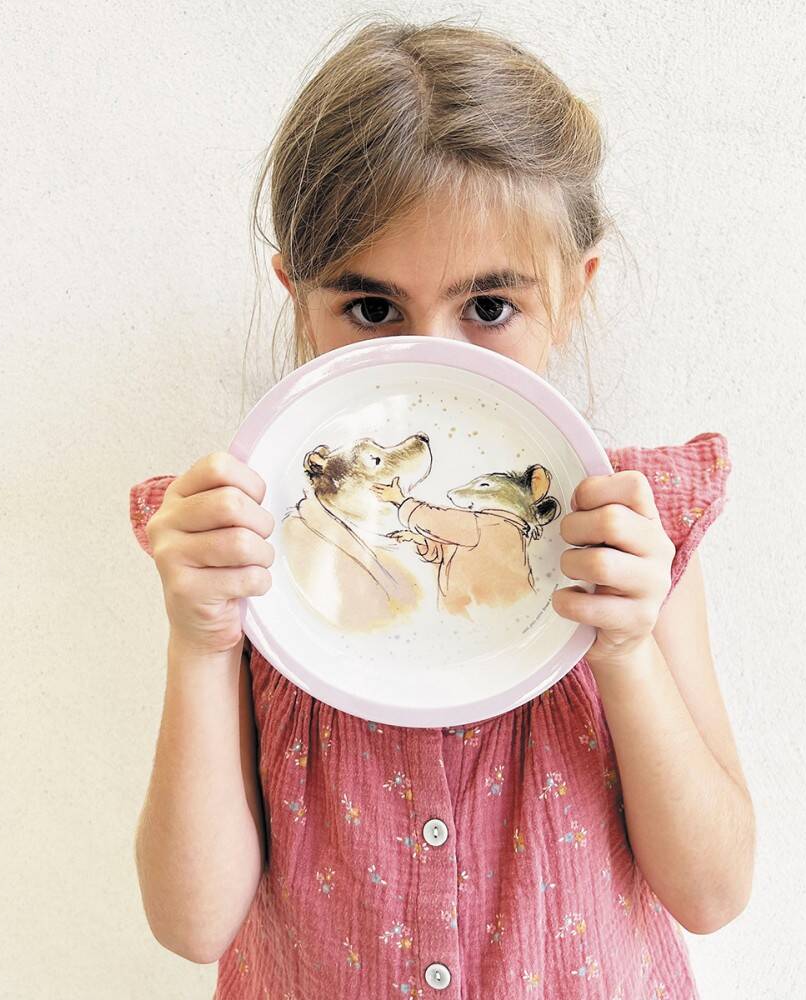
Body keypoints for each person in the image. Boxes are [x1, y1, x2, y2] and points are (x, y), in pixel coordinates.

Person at [129, 16, 754, 999]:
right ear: (299, 300)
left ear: (572, 294)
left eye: (489, 308)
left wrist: (627, 649)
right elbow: (192, 921)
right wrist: (201, 644)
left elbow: (713, 891)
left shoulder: (635, 535)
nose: (433, 360)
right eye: (372, 309)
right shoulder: (245, 544)